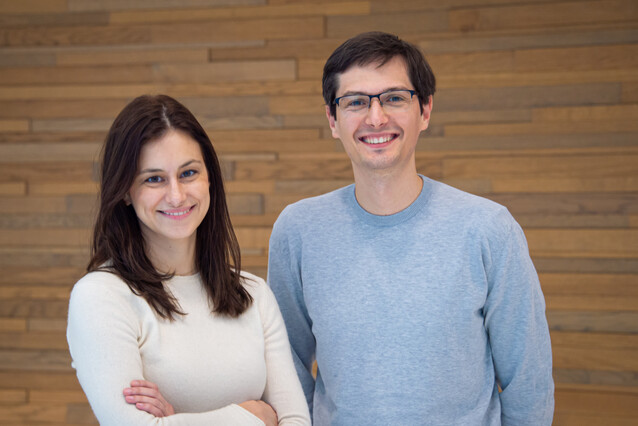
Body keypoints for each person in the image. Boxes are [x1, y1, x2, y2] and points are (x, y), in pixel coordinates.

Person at [267, 32, 554, 425]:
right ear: (333, 120)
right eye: (355, 102)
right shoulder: (297, 231)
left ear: (425, 111)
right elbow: (288, 374)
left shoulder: (488, 229)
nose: (375, 117)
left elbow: (529, 382)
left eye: (394, 98)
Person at [67, 94, 311, 426]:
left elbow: (297, 422)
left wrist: (178, 420)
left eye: (188, 173)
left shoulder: (254, 294)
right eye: (154, 179)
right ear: (125, 190)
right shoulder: (100, 297)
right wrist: (256, 416)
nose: (177, 195)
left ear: (209, 177)